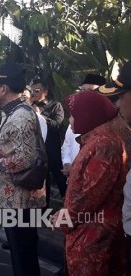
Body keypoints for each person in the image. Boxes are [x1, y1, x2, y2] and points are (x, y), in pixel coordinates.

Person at [51, 91, 130, 275]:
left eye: (73, 115)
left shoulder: (103, 146)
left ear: (89, 115)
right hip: (88, 232)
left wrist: (63, 219)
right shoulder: (96, 141)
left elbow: (87, 198)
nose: (70, 120)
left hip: (94, 239)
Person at [0, 63, 46, 276]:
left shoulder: (20, 116)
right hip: (12, 198)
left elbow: (24, 159)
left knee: (23, 257)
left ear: (4, 88)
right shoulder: (13, 112)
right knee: (20, 255)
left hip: (19, 200)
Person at [61, 74, 106, 177]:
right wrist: (67, 163)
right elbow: (67, 145)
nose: (85, 94)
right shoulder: (76, 118)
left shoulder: (107, 123)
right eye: (83, 90)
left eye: (90, 90)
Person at [30, 79, 66, 202]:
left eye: (37, 90)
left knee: (60, 179)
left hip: (53, 150)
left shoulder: (55, 105)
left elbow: (57, 125)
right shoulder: (27, 107)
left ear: (45, 91)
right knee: (42, 183)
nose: (33, 93)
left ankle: (69, 206)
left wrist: (41, 116)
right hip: (37, 152)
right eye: (31, 91)